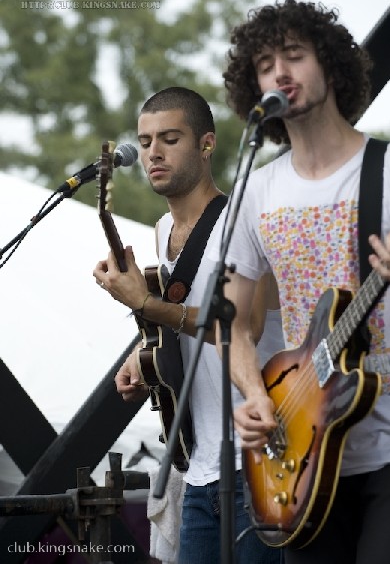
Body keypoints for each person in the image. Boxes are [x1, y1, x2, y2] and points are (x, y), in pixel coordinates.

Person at [216, 0, 390, 564]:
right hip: (300, 461)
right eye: (266, 63)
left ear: (332, 66)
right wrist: (252, 395)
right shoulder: (258, 192)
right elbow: (236, 325)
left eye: (294, 55)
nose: (280, 72)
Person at [93, 87, 284, 563]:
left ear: (207, 143)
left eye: (170, 138)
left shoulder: (244, 218)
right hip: (196, 466)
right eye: (145, 140)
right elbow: (179, 328)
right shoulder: (161, 230)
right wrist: (142, 361)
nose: (152, 152)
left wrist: (147, 305)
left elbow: (246, 326)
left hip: (262, 460)